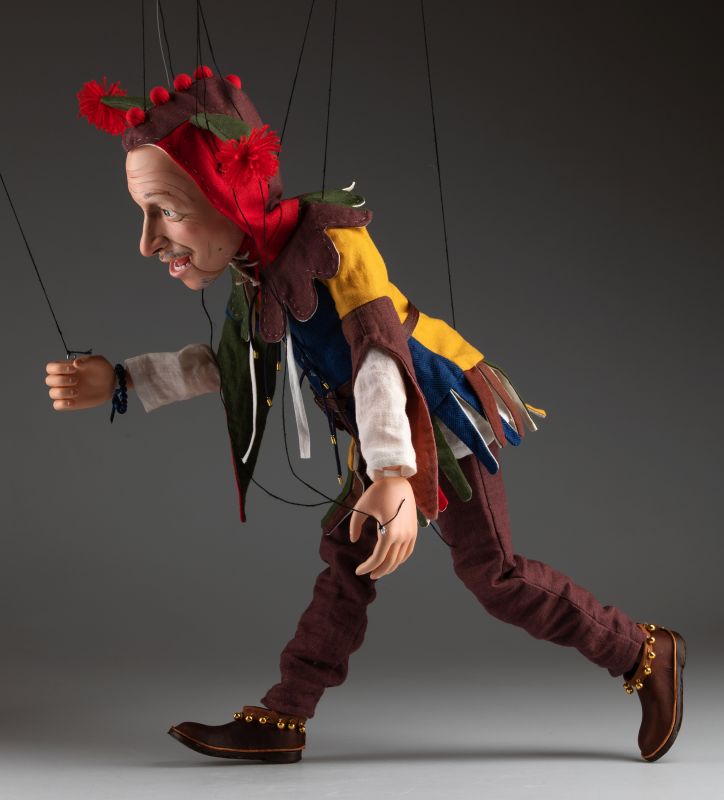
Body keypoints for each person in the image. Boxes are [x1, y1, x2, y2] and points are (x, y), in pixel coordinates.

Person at [45, 67, 685, 764]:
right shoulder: (258, 269)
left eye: (165, 210)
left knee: (494, 576)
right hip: (384, 442)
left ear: (230, 191)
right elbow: (229, 364)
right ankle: (285, 716)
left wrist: (394, 475)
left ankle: (643, 652)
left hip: (435, 417)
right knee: (346, 564)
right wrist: (124, 379)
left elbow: (378, 355)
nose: (148, 241)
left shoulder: (333, 245)